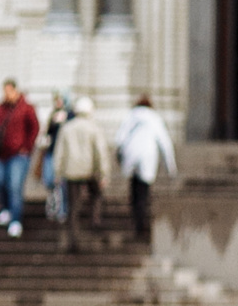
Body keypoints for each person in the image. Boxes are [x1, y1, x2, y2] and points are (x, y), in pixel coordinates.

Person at [51, 96, 111, 254]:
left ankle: (74, 240)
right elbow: (100, 152)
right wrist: (103, 173)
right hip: (89, 170)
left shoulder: (66, 128)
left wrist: (58, 172)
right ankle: (95, 219)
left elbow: (60, 152)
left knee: (73, 206)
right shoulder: (94, 128)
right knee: (96, 194)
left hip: (71, 172)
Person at [115, 95, 176, 245]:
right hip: (147, 156)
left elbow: (119, 139)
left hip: (131, 156)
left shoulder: (130, 115)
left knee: (134, 192)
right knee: (143, 193)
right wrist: (171, 168)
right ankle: (142, 225)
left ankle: (137, 222)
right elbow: (165, 143)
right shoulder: (154, 117)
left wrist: (120, 157)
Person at [0, 79, 40, 237]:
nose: (6, 95)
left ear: (16, 91)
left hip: (18, 155)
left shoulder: (26, 108)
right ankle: (6, 209)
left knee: (15, 185)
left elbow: (34, 128)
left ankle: (16, 220)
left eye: (9, 91)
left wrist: (27, 147)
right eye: (4, 91)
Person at [39, 91, 72, 224]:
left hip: (64, 155)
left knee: (62, 184)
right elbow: (47, 133)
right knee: (49, 181)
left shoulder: (70, 115)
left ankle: (62, 210)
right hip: (51, 152)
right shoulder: (53, 115)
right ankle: (53, 207)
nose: (58, 102)